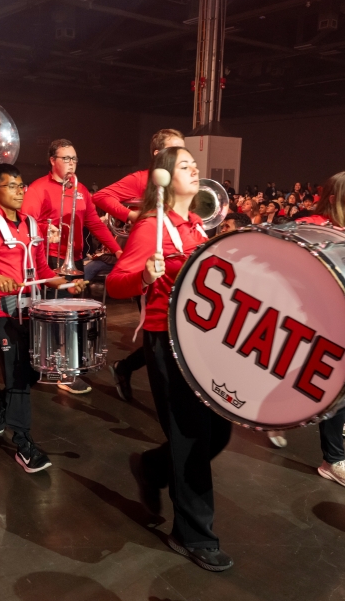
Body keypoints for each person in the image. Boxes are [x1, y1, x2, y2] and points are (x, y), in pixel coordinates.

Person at [108, 146, 234, 572]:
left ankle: (152, 465)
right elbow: (116, 283)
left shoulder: (196, 226)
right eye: (184, 165)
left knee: (217, 433)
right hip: (169, 342)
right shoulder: (150, 227)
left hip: (201, 341)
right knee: (193, 437)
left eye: (195, 164)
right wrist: (144, 275)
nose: (195, 168)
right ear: (163, 177)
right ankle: (193, 533)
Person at [0, 163, 86, 473]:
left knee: (35, 374)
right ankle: (24, 444)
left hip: (32, 308)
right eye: (10, 186)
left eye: (20, 185)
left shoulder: (31, 225)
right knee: (17, 377)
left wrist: (66, 282)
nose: (18, 191)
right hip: (2, 311)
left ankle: (0, 402)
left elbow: (41, 271)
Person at [22, 139, 122, 395]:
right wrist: (45, 229)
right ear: (52, 161)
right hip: (51, 260)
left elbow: (94, 224)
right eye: (65, 158)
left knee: (73, 315)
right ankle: (62, 370)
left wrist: (117, 249)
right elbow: (25, 222)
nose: (71, 163)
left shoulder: (81, 189)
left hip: (74, 261)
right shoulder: (38, 188)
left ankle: (65, 365)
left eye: (74, 158)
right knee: (59, 317)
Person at [92, 128, 185, 401]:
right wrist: (132, 215)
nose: (182, 155)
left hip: (177, 260)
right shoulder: (141, 179)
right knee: (160, 332)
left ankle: (126, 369)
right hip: (149, 263)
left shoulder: (180, 180)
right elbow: (101, 197)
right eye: (175, 149)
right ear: (157, 154)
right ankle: (129, 371)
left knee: (170, 333)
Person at [296, 171, 345, 490]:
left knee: (340, 386)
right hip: (310, 319)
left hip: (343, 322)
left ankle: (333, 459)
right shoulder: (313, 227)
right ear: (335, 198)